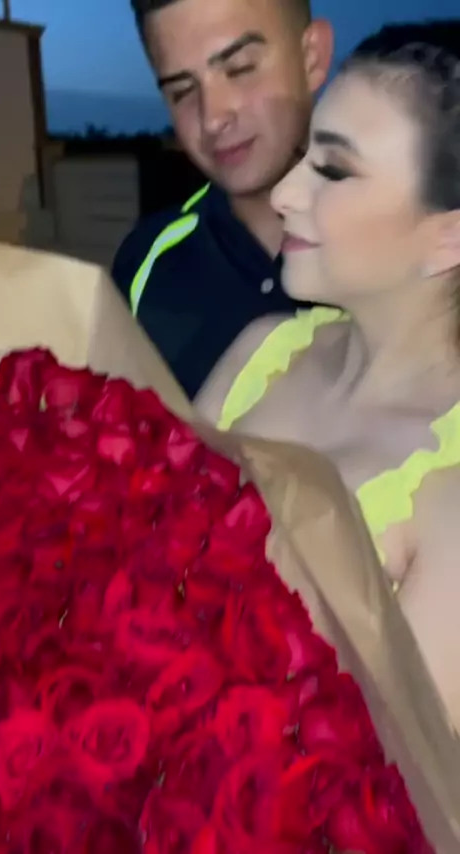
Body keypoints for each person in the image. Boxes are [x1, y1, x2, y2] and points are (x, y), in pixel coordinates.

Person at [196, 21, 460, 730]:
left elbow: (399, 770)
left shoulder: (451, 494)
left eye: (334, 171)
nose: (284, 192)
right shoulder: (259, 350)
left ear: (450, 235)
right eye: (303, 157)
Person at [112, 0, 333, 398]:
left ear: (312, 57)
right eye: (182, 91)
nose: (213, 118)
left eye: (241, 68)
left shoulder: (409, 249)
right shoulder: (144, 267)